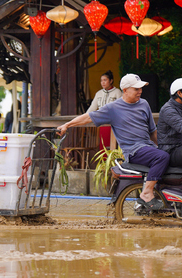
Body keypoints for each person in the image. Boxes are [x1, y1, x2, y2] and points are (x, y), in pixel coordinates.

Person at [57, 74, 170, 210]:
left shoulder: (144, 104)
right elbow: (88, 117)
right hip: (134, 151)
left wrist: (164, 147)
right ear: (125, 90)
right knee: (162, 157)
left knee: (170, 157)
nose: (140, 91)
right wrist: (67, 125)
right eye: (136, 89)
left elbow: (153, 131)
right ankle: (146, 194)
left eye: (141, 88)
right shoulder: (113, 108)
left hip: (148, 147)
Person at [86, 70, 123, 149]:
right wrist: (85, 117)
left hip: (113, 124)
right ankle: (104, 161)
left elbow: (121, 108)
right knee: (103, 146)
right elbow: (92, 108)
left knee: (113, 146)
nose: (102, 82)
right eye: (101, 80)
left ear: (111, 81)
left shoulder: (117, 92)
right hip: (102, 123)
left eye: (105, 80)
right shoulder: (99, 93)